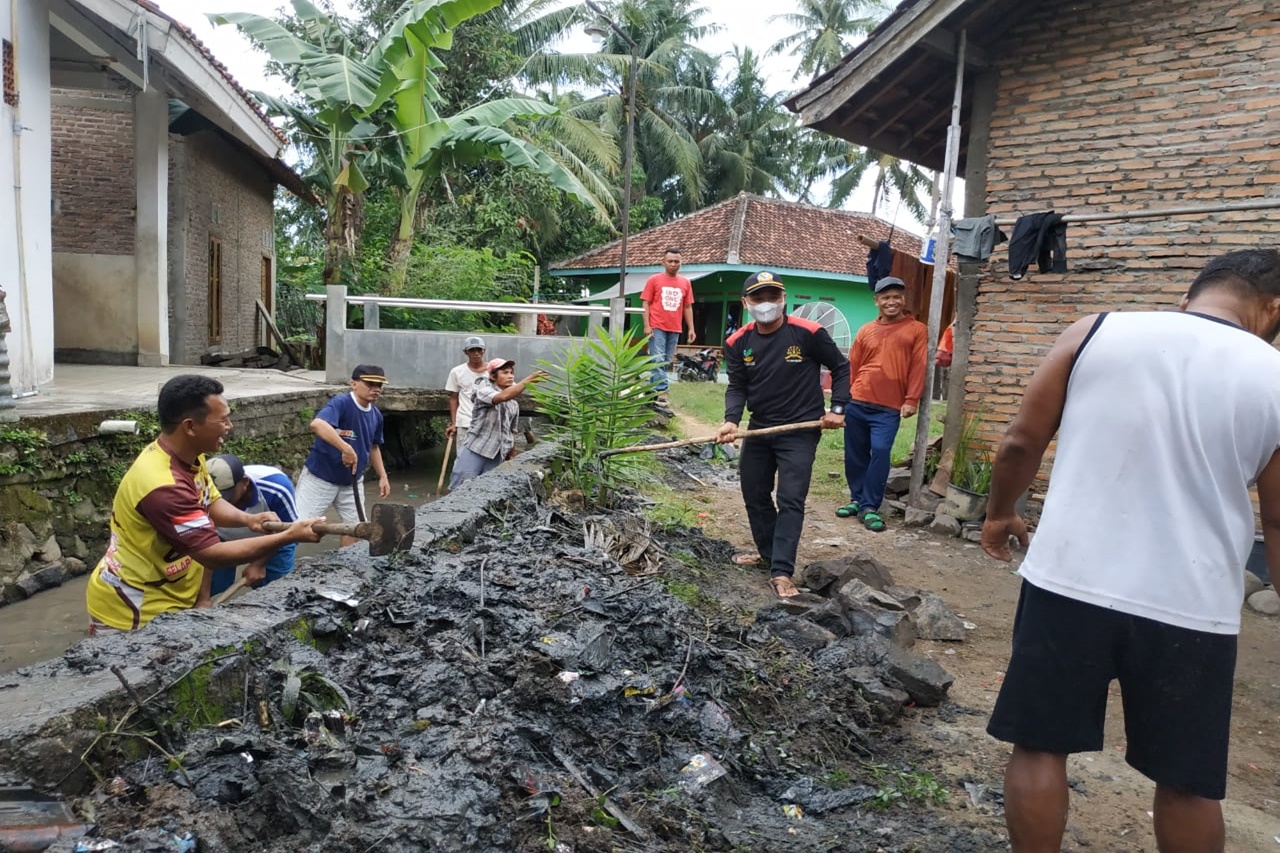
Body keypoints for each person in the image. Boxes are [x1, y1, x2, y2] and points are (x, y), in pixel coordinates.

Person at [980, 249, 1280, 853]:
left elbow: (1019, 443)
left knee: (1040, 746)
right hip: (1192, 604)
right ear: (1273, 309)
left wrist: (999, 513)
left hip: (1069, 579)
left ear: (1190, 296)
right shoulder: (1273, 374)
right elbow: (1276, 516)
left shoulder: (1098, 330)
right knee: (1189, 783)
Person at [85, 375, 323, 632]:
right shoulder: (164, 486)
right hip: (134, 607)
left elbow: (210, 502)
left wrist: (248, 519)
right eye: (222, 420)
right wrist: (288, 536)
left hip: (170, 592)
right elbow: (211, 554)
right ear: (190, 426)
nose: (229, 426)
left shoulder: (189, 456)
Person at [717, 271, 849, 598]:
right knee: (754, 494)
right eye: (758, 298)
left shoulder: (809, 333)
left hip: (801, 430)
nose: (766, 304)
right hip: (761, 427)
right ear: (745, 302)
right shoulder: (737, 342)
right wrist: (732, 421)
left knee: (790, 499)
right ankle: (768, 554)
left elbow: (841, 367)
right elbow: (737, 386)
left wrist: (837, 409)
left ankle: (781, 571)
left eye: (772, 297)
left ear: (783, 298)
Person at [837, 276, 927, 532]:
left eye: (897, 296)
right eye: (885, 297)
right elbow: (853, 365)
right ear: (877, 301)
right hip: (858, 400)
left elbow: (919, 366)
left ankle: (870, 506)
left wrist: (911, 399)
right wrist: (843, 400)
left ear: (904, 299)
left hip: (888, 407)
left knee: (880, 450)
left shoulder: (916, 329)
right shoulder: (866, 330)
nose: (892, 302)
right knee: (854, 454)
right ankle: (856, 499)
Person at [296, 364, 391, 545]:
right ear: (354, 384)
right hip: (321, 477)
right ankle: (269, 566)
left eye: (379, 385)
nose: (375, 389)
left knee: (357, 529)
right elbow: (318, 424)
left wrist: (383, 476)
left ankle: (345, 568)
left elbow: (374, 447)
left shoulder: (376, 415)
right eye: (370, 384)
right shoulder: (342, 403)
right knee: (297, 528)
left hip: (352, 481)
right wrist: (345, 448)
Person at [205, 453, 299, 597]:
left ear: (244, 482)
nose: (221, 503)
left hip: (273, 538)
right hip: (221, 538)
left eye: (226, 496)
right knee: (213, 585)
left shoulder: (276, 487)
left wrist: (259, 563)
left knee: (277, 592)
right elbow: (204, 547)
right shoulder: (199, 493)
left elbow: (290, 533)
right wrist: (203, 598)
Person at [451, 358, 547, 488]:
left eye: (511, 373)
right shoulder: (483, 390)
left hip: (498, 454)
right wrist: (529, 379)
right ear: (492, 376)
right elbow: (502, 397)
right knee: (461, 488)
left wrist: (511, 455)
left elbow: (510, 432)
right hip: (477, 448)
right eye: (505, 373)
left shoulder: (513, 405)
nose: (510, 376)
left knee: (488, 490)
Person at [641, 246, 696, 407]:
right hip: (656, 326)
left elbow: (687, 307)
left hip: (675, 327)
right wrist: (647, 325)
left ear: (681, 263)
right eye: (670, 261)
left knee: (664, 361)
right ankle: (663, 392)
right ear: (663, 262)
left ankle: (651, 393)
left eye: (677, 261)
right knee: (657, 359)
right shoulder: (654, 280)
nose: (673, 264)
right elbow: (646, 302)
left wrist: (691, 328)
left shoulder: (685, 283)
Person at [445, 336, 489, 454]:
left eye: (479, 350)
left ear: (484, 351)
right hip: (465, 421)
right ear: (466, 352)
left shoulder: (492, 371)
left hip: (487, 422)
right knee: (463, 457)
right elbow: (453, 398)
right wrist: (454, 423)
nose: (476, 353)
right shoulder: (457, 372)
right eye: (472, 350)